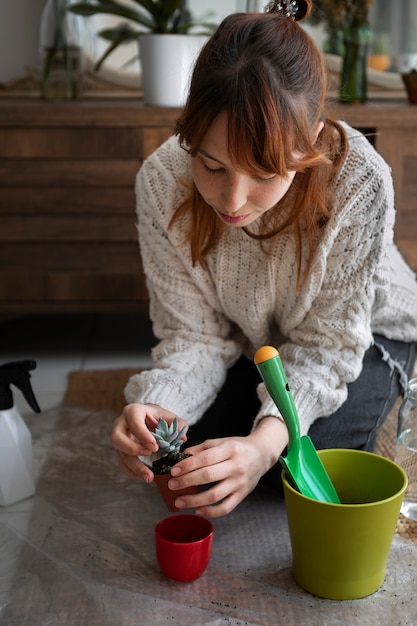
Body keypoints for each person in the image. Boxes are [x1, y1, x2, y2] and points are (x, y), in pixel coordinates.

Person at [111, 0, 417, 518]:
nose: (232, 201)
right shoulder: (162, 180)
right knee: (181, 455)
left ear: (311, 142)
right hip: (262, 341)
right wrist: (160, 407)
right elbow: (194, 336)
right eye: (211, 165)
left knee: (291, 470)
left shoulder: (360, 181)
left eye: (264, 173)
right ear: (189, 130)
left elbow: (328, 344)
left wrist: (262, 446)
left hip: (366, 335)